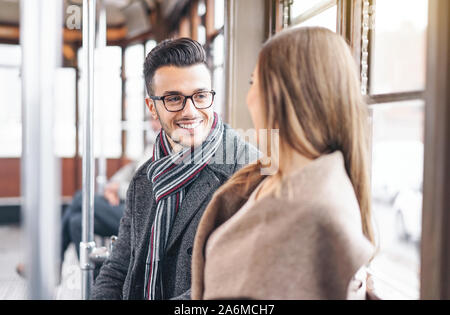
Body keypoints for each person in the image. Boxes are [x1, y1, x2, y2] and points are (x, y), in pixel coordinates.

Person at [191, 27, 376, 300]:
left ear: (283, 96)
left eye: (255, 82)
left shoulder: (316, 212)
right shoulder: (269, 179)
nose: (248, 97)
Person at [92, 38, 260, 300]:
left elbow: (233, 285)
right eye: (173, 99)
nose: (190, 111)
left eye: (201, 96)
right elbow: (118, 267)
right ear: (153, 107)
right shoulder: (144, 180)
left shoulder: (248, 172)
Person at [15, 118, 161, 279]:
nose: (152, 123)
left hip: (140, 215)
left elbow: (150, 188)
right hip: (123, 204)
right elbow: (130, 169)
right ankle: (97, 281)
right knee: (76, 222)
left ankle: (54, 261)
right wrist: (112, 186)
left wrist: (117, 189)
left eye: (155, 120)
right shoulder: (152, 144)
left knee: (80, 198)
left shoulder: (166, 150)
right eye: (150, 119)